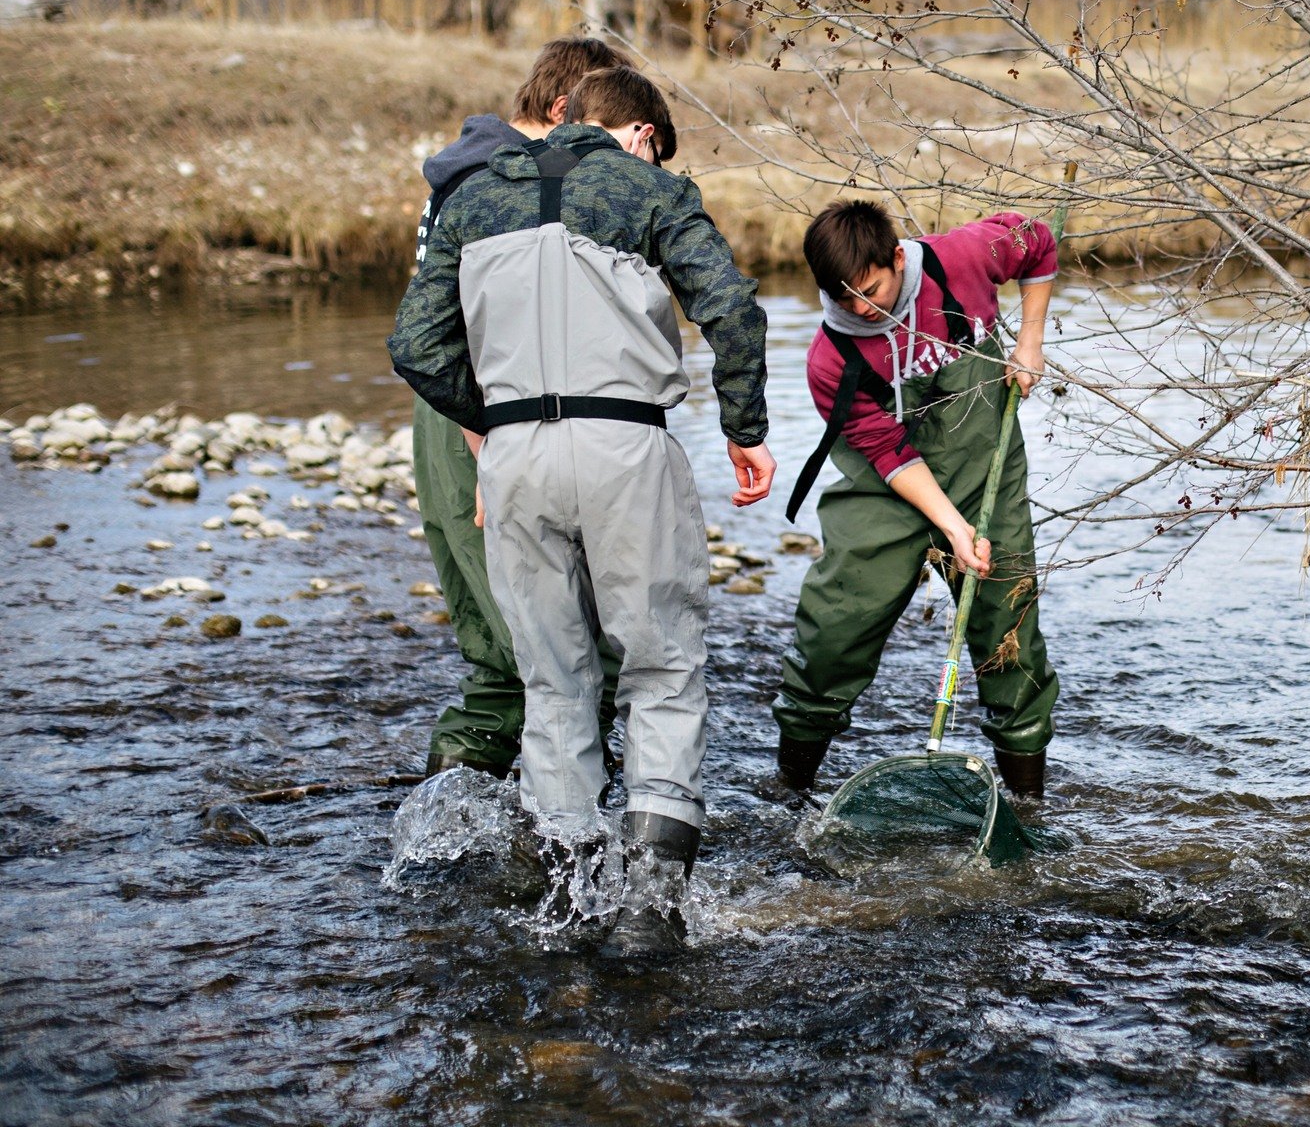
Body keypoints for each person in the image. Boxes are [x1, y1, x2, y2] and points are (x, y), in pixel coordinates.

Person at [389, 65, 775, 955]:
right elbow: (731, 308)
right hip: (624, 446)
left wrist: (494, 420)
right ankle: (647, 912)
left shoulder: (471, 199)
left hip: (514, 460)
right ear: (640, 134)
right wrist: (745, 429)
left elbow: (414, 344)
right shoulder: (650, 190)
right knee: (661, 668)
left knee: (552, 679)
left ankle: (567, 901)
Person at [770, 200, 1059, 800]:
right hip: (885, 487)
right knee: (833, 629)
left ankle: (1028, 808)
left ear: (897, 259)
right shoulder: (830, 359)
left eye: (871, 290)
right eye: (843, 297)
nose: (860, 309)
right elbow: (887, 451)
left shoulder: (966, 257)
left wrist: (1029, 342)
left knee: (1009, 632)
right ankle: (789, 792)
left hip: (985, 468)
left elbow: (1039, 242)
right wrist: (952, 528)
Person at [410, 38, 627, 781]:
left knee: (511, 656)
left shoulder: (476, 171)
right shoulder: (501, 183)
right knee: (549, 648)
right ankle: (549, 830)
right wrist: (489, 457)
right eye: (603, 128)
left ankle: (465, 828)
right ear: (564, 112)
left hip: (459, 409)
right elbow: (467, 332)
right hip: (482, 416)